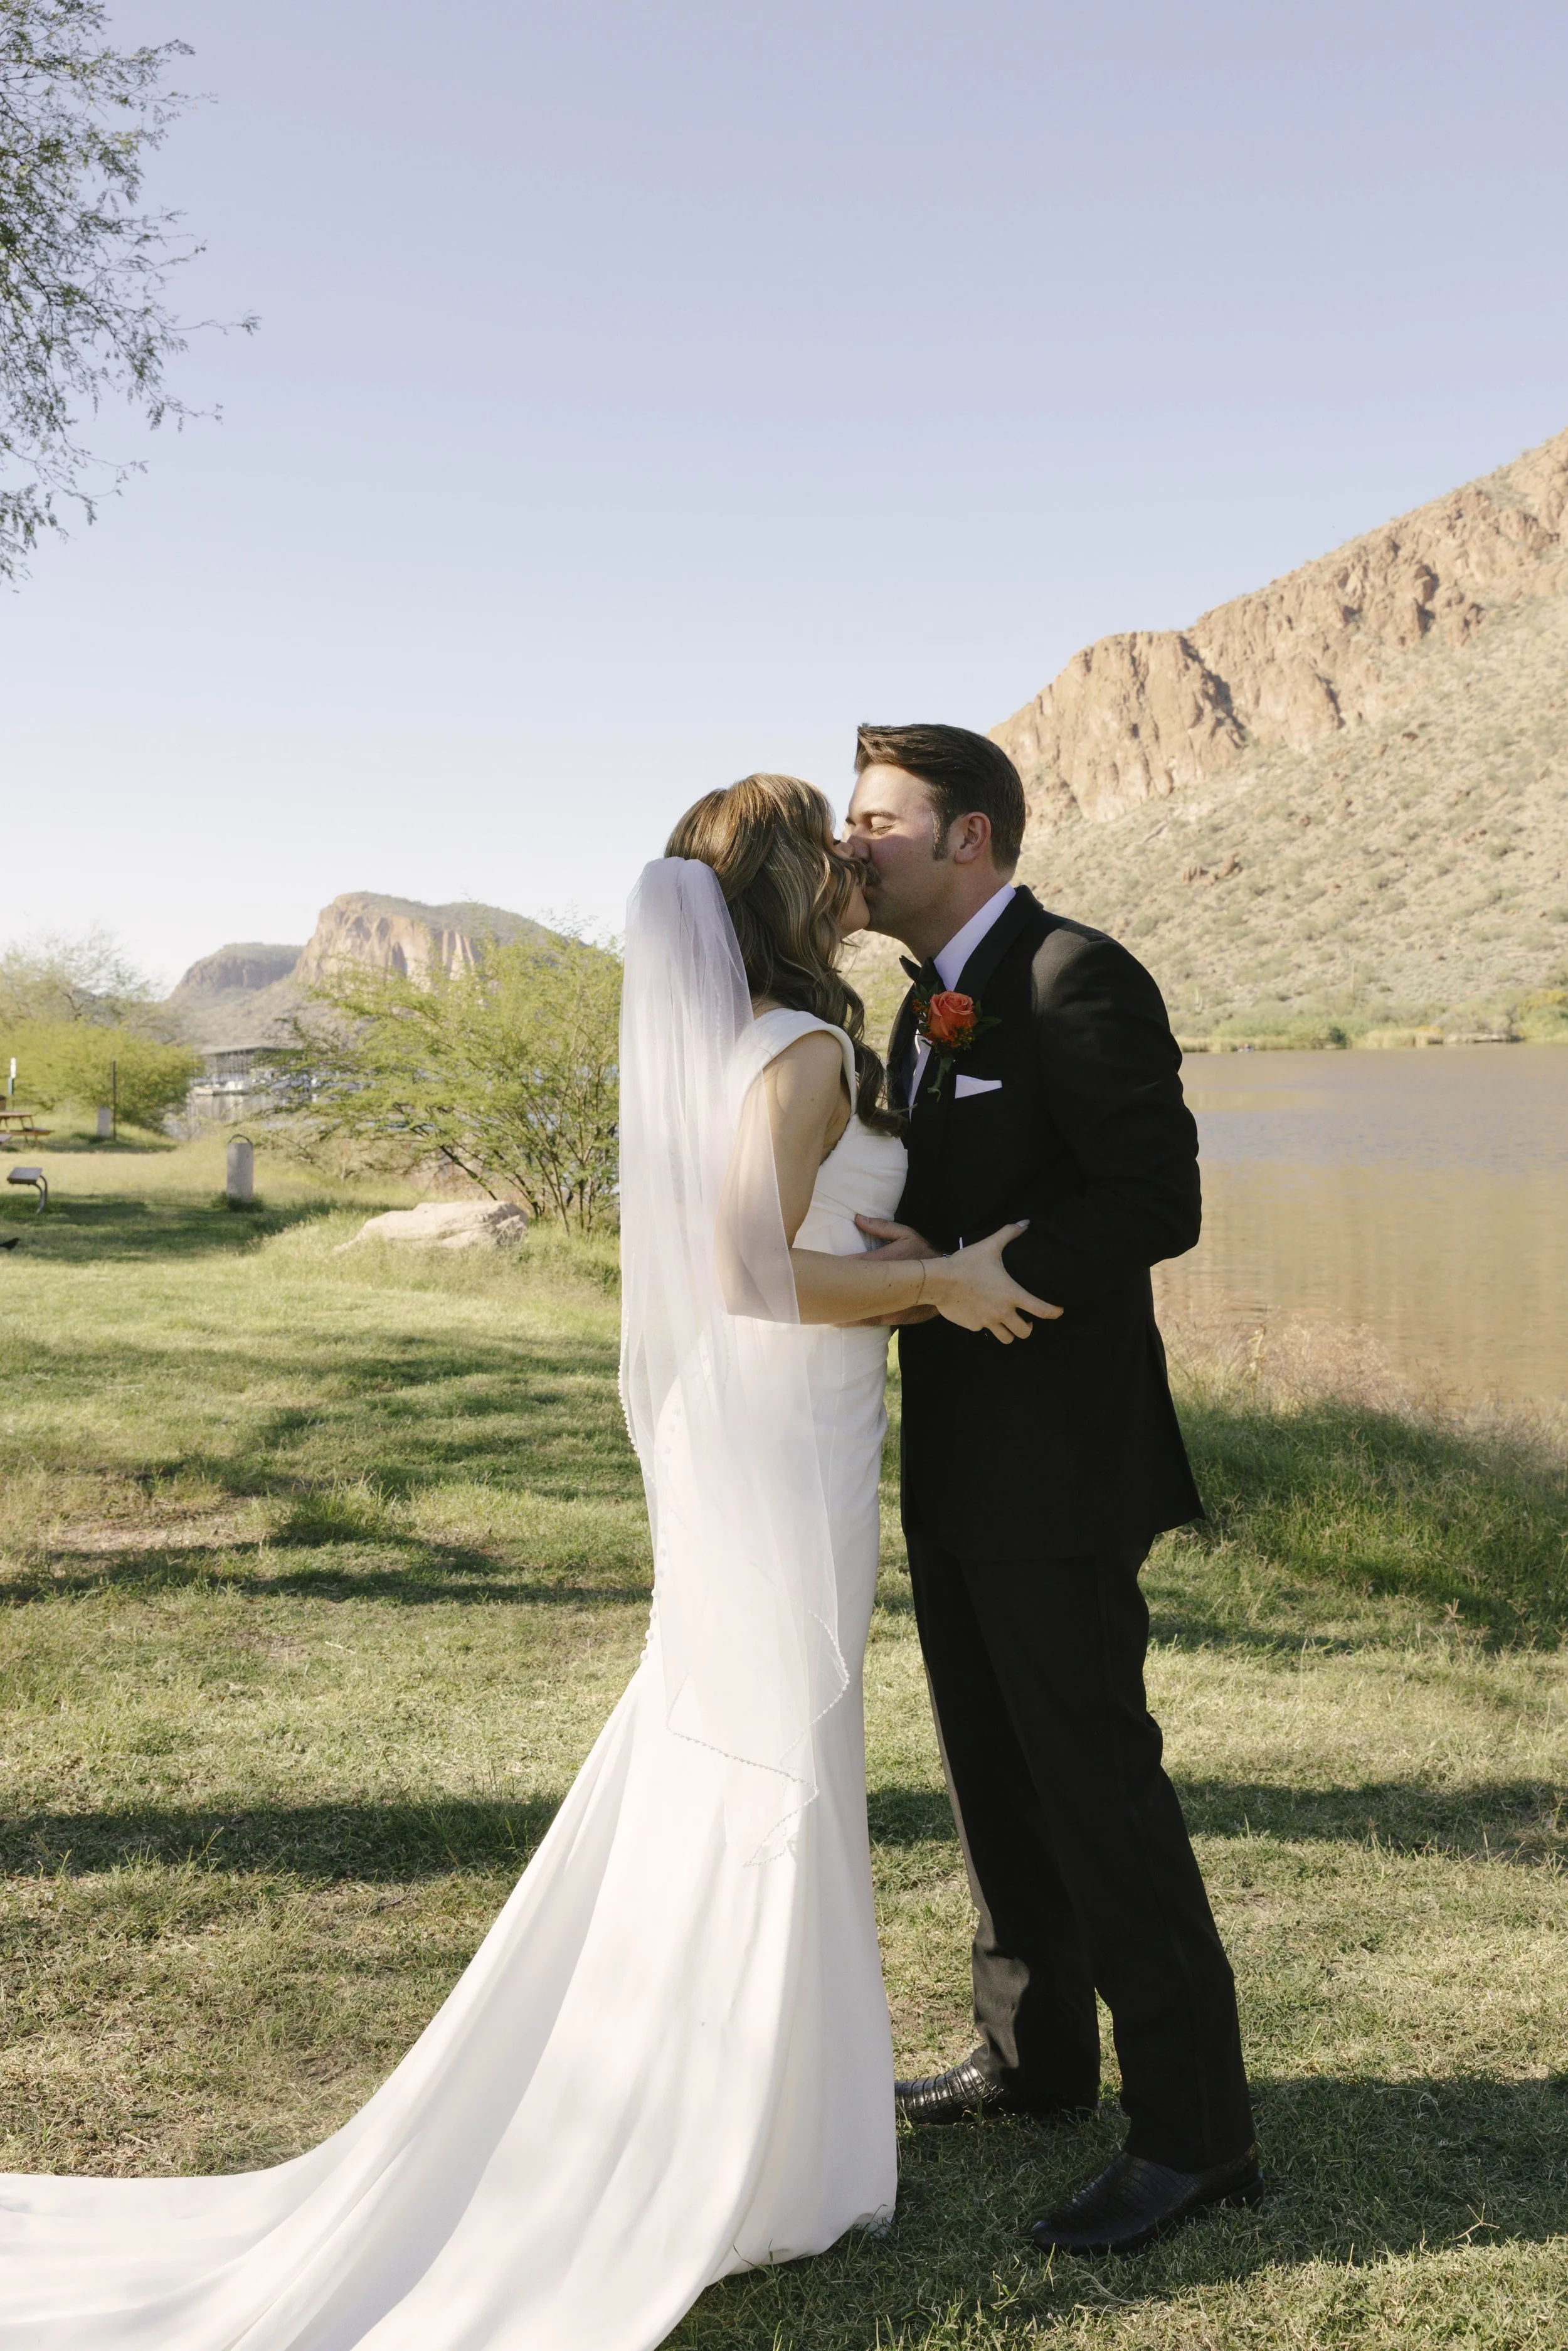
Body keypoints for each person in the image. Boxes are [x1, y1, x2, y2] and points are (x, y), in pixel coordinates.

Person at [0, 775, 1051, 2351]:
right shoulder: (810, 1050)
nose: (850, 858)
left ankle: (766, 2110)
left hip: (766, 1430)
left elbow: (759, 1245)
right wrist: (948, 1278)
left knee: (756, 1738)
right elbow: (747, 1272)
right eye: (824, 845)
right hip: (781, 1446)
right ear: (783, 891)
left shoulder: (751, 1046)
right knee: (776, 1745)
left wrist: (877, 1262)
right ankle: (748, 2143)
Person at [844, 722, 1261, 2258]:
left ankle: (1194, 2136)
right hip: (956, 1453)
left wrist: (981, 1270)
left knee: (1095, 1782)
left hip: (1065, 1463)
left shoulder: (1076, 972)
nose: (851, 845)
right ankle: (1032, 2059)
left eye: (876, 820)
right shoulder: (925, 1003)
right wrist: (920, 1261)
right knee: (988, 1772)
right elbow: (959, 1195)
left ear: (968, 836)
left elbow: (1155, 1197)